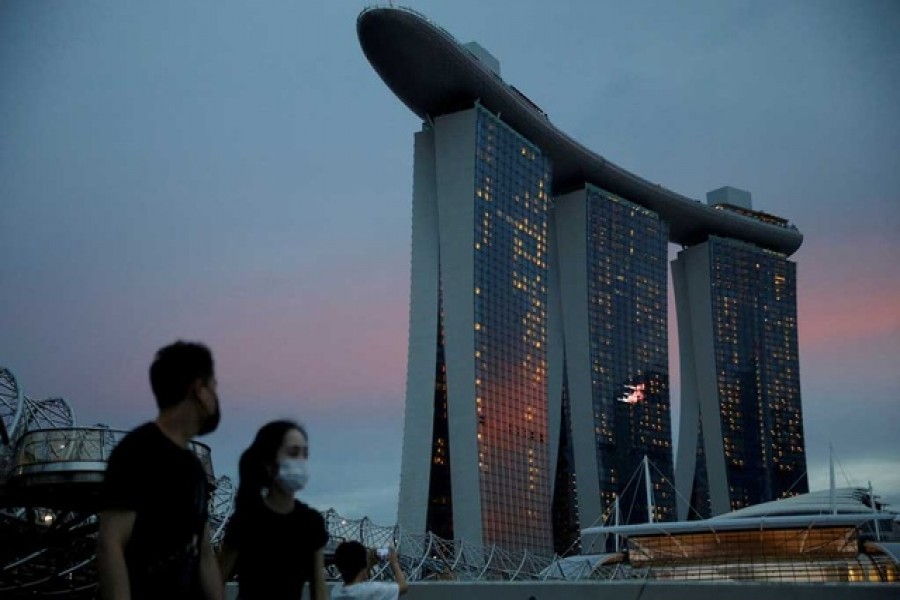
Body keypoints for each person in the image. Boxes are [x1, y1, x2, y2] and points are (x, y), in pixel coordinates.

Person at [97, 341, 223, 600]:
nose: (216, 397)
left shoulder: (194, 467)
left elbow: (205, 552)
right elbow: (111, 542)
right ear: (199, 390)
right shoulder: (137, 451)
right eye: (214, 386)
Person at [218, 420, 329, 600]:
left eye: (304, 454)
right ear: (269, 463)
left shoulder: (311, 522)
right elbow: (216, 582)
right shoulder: (247, 520)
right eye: (293, 453)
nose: (300, 461)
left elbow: (319, 589)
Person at [330, 542, 408, 600]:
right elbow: (403, 587)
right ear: (362, 566)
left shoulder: (336, 591)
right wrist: (394, 563)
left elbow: (358, 580)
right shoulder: (372, 590)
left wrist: (369, 564)